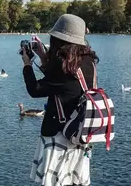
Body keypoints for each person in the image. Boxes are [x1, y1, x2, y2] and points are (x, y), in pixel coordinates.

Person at [21, 13, 99, 186]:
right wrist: (43, 57)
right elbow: (61, 85)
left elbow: (35, 90)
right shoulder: (88, 61)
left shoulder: (61, 64)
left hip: (59, 134)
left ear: (58, 38)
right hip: (78, 133)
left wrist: (27, 64)